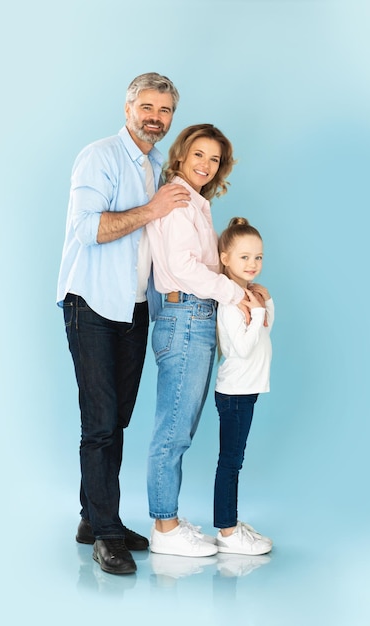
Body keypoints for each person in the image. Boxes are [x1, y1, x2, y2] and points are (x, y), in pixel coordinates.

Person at [56, 72, 191, 575]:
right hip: (91, 303)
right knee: (100, 423)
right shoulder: (100, 157)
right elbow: (88, 228)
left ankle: (93, 518)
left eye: (165, 112)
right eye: (148, 108)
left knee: (117, 420)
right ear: (128, 107)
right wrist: (151, 208)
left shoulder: (159, 165)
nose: (156, 119)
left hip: (135, 309)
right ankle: (107, 534)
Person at [146, 124, 248, 557]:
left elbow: (204, 266)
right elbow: (183, 267)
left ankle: (169, 518)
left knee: (180, 426)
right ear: (182, 155)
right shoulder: (179, 199)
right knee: (173, 430)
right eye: (199, 155)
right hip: (185, 315)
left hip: (194, 316)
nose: (206, 165)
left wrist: (242, 287)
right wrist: (231, 291)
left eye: (214, 159)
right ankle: (164, 528)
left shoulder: (198, 203)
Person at [213, 217, 274, 555]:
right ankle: (227, 530)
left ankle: (231, 522)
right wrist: (257, 309)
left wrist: (265, 303)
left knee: (235, 459)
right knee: (231, 461)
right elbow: (243, 347)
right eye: (244, 257)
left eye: (258, 257)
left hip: (247, 390)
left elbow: (266, 327)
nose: (253, 264)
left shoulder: (249, 295)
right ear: (225, 259)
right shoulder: (230, 302)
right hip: (235, 393)